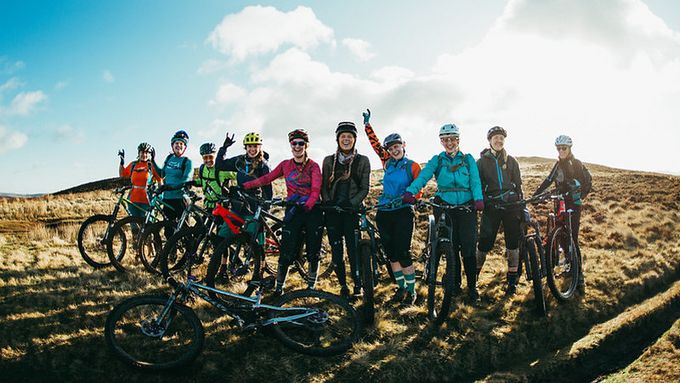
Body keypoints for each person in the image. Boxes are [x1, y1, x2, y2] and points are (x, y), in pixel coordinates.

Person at [402, 123, 484, 303]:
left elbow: (476, 181)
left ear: (458, 140)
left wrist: (478, 199)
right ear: (441, 142)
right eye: (445, 140)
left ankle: (472, 287)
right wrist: (411, 191)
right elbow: (424, 176)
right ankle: (455, 284)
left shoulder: (468, 159)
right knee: (452, 248)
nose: (449, 143)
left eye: (452, 139)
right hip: (445, 206)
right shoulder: (438, 160)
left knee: (468, 250)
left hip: (467, 207)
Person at [243, 129, 323, 295]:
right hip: (293, 211)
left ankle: (311, 287)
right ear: (290, 145)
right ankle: (279, 287)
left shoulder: (313, 166)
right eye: (294, 143)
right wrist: (246, 186)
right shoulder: (285, 165)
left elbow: (316, 190)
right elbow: (267, 178)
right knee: (286, 250)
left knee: (313, 251)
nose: (298, 146)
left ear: (306, 145)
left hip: (312, 210)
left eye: (301, 143)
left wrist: (307, 205)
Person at [363, 109, 422, 305]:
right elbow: (375, 145)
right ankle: (401, 287)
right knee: (391, 254)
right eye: (391, 148)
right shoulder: (387, 162)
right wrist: (367, 126)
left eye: (397, 146)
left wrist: (414, 198)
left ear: (403, 146)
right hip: (384, 212)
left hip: (403, 212)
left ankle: (412, 291)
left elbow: (418, 186)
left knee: (403, 252)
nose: (394, 150)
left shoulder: (413, 166)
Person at [533, 134, 592, 293]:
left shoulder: (577, 164)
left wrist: (580, 196)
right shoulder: (557, 165)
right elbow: (548, 180)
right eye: (558, 148)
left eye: (564, 148)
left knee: (572, 237)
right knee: (560, 236)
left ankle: (578, 275)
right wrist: (536, 195)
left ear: (569, 148)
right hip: (559, 202)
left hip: (574, 204)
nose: (561, 151)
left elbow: (587, 182)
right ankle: (568, 265)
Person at [321, 121, 371, 299]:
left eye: (350, 136)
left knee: (353, 251)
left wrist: (353, 203)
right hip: (333, 213)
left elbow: (365, 188)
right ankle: (343, 285)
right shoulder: (328, 161)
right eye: (343, 136)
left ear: (355, 139)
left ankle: (358, 285)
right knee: (336, 252)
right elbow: (324, 186)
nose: (346, 139)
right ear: (338, 139)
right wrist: (328, 203)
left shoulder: (363, 161)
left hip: (351, 212)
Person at [214, 132, 272, 278]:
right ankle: (223, 267)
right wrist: (224, 148)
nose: (252, 149)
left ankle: (259, 273)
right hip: (238, 205)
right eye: (249, 146)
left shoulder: (263, 165)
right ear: (245, 147)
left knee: (255, 243)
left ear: (260, 147)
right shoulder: (240, 161)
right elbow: (220, 164)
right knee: (222, 236)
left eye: (255, 146)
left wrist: (265, 208)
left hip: (254, 207)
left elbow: (268, 189)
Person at [476, 126, 524, 296]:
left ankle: (512, 281)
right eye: (495, 137)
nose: (499, 140)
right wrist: (484, 201)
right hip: (492, 207)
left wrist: (521, 203)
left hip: (511, 207)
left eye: (501, 138)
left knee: (512, 242)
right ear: (489, 141)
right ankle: (474, 276)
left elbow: (518, 185)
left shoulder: (512, 161)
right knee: (484, 243)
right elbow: (477, 185)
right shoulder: (481, 163)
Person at [118, 142, 162, 220]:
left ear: (149, 154)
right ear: (139, 153)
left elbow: (160, 180)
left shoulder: (152, 166)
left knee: (147, 227)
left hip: (147, 201)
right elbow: (122, 175)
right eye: (142, 152)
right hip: (133, 201)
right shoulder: (133, 165)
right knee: (135, 228)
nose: (144, 155)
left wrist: (160, 195)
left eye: (146, 152)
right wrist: (122, 162)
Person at [159, 130, 193, 223]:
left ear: (185, 147)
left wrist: (171, 187)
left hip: (180, 199)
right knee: (168, 230)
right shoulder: (169, 158)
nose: (179, 145)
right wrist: (153, 161)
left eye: (181, 143)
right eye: (176, 143)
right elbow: (161, 174)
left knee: (183, 230)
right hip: (167, 198)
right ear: (172, 145)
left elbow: (186, 180)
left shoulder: (187, 161)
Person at [195, 142, 236, 210]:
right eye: (205, 157)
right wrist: (190, 183)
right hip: (208, 205)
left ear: (215, 156)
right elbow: (202, 181)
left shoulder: (221, 169)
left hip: (222, 207)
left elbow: (238, 176)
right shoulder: (202, 168)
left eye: (210, 157)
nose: (208, 160)